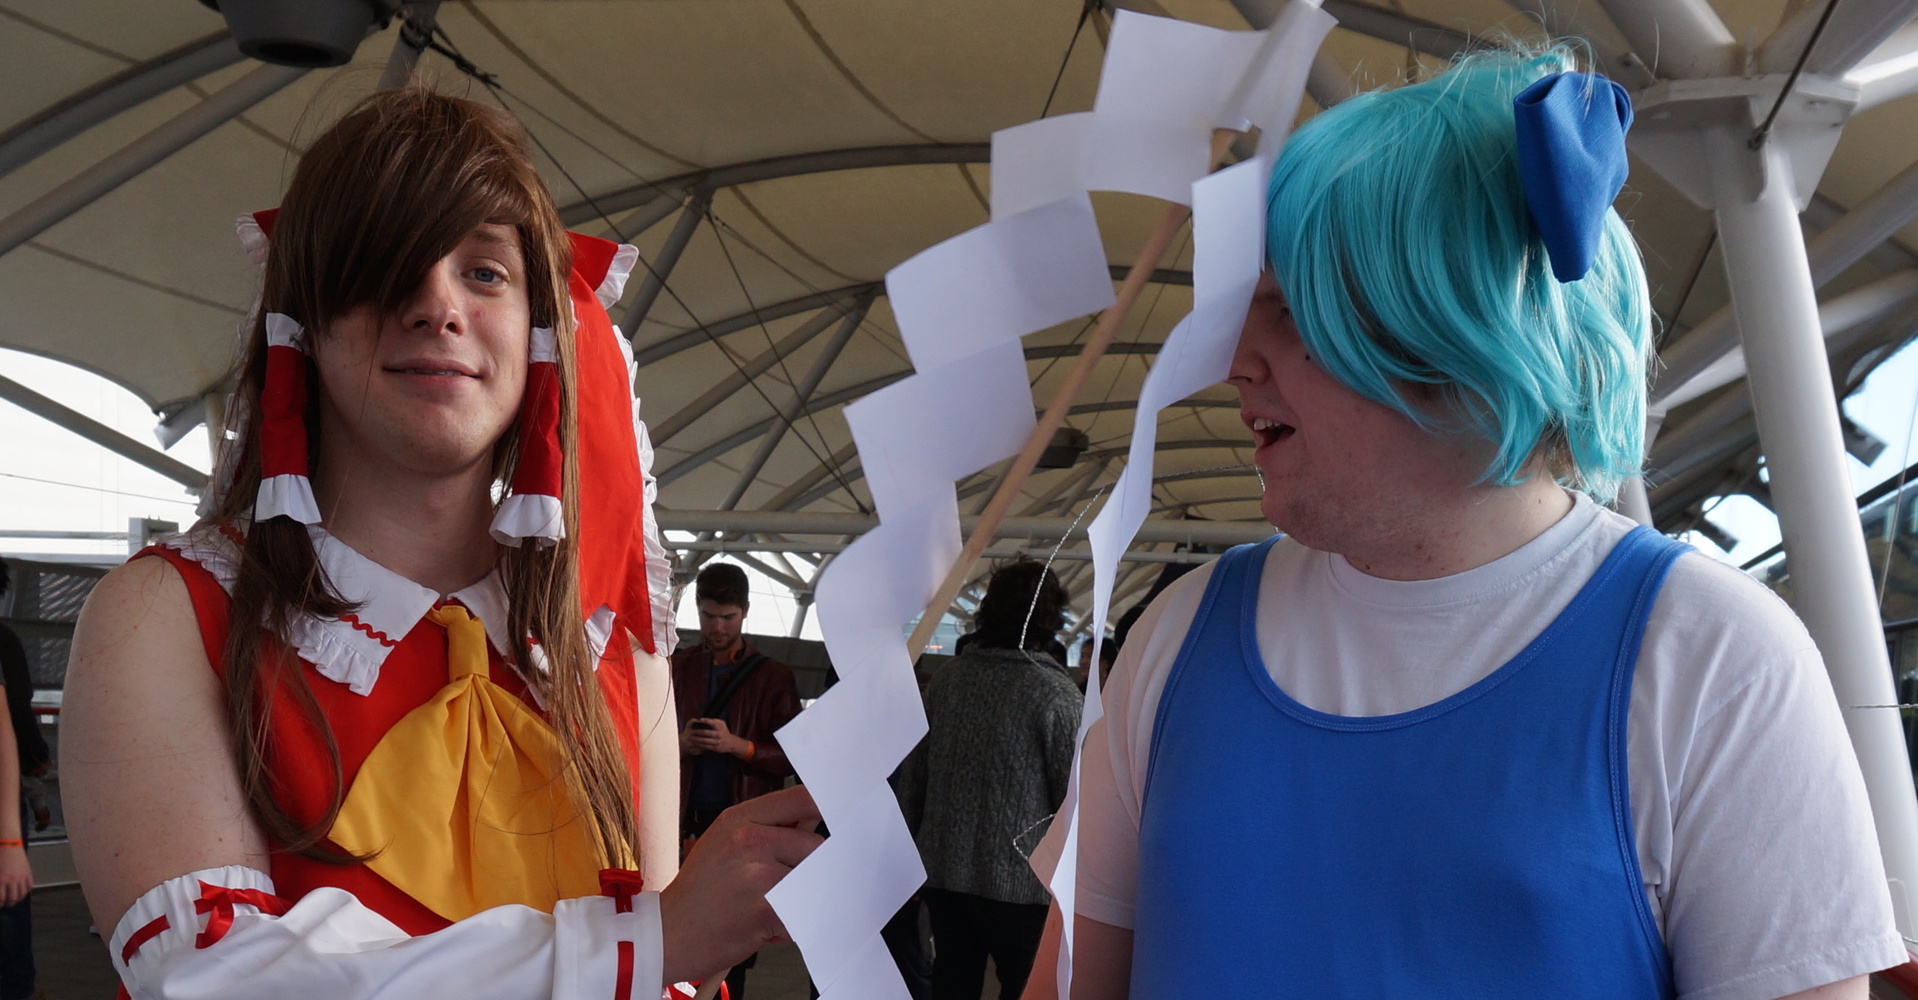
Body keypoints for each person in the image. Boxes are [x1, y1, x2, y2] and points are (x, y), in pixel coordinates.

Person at [1033, 50, 1903, 1000]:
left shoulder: (1712, 659)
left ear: (1461, 335)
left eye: (1289, 313)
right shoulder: (1176, 636)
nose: (1236, 360)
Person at [61, 88, 820, 1000]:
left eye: (486, 272)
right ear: (302, 321)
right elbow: (213, 978)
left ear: (540, 330)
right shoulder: (166, 614)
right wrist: (640, 948)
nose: (436, 305)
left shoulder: (607, 640)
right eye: (385, 265)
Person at [900, 560, 1080, 1000]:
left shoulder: (946, 683)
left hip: (944, 874)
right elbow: (1073, 806)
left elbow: (913, 780)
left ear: (987, 612)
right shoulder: (1056, 696)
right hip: (1024, 891)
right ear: (1051, 621)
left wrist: (909, 865)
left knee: (952, 983)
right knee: (1026, 990)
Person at [673, 562, 800, 1000]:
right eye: (709, 616)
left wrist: (738, 746)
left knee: (735, 939)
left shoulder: (773, 677)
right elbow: (641, 736)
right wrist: (680, 745)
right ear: (697, 610)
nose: (717, 626)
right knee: (680, 929)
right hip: (684, 822)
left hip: (740, 824)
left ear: (745, 612)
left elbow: (792, 758)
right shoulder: (678, 665)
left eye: (727, 617)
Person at [0, 560, 45, 1000]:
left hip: (3, 807)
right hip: (9, 805)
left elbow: (8, 725)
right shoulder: (8, 640)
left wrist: (10, 843)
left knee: (8, 910)